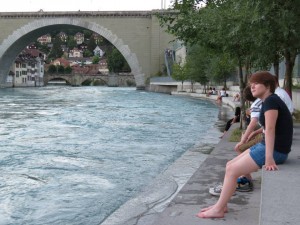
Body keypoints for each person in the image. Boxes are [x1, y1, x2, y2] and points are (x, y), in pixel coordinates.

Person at [197, 71, 293, 219]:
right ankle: (222, 205)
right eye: (251, 83)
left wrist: (269, 159)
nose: (252, 86)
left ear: (267, 85)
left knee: (233, 170)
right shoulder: (269, 100)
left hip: (275, 151)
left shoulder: (271, 101)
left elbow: (271, 129)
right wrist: (256, 133)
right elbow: (270, 127)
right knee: (230, 165)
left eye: (256, 83)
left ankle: (218, 208)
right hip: (270, 147)